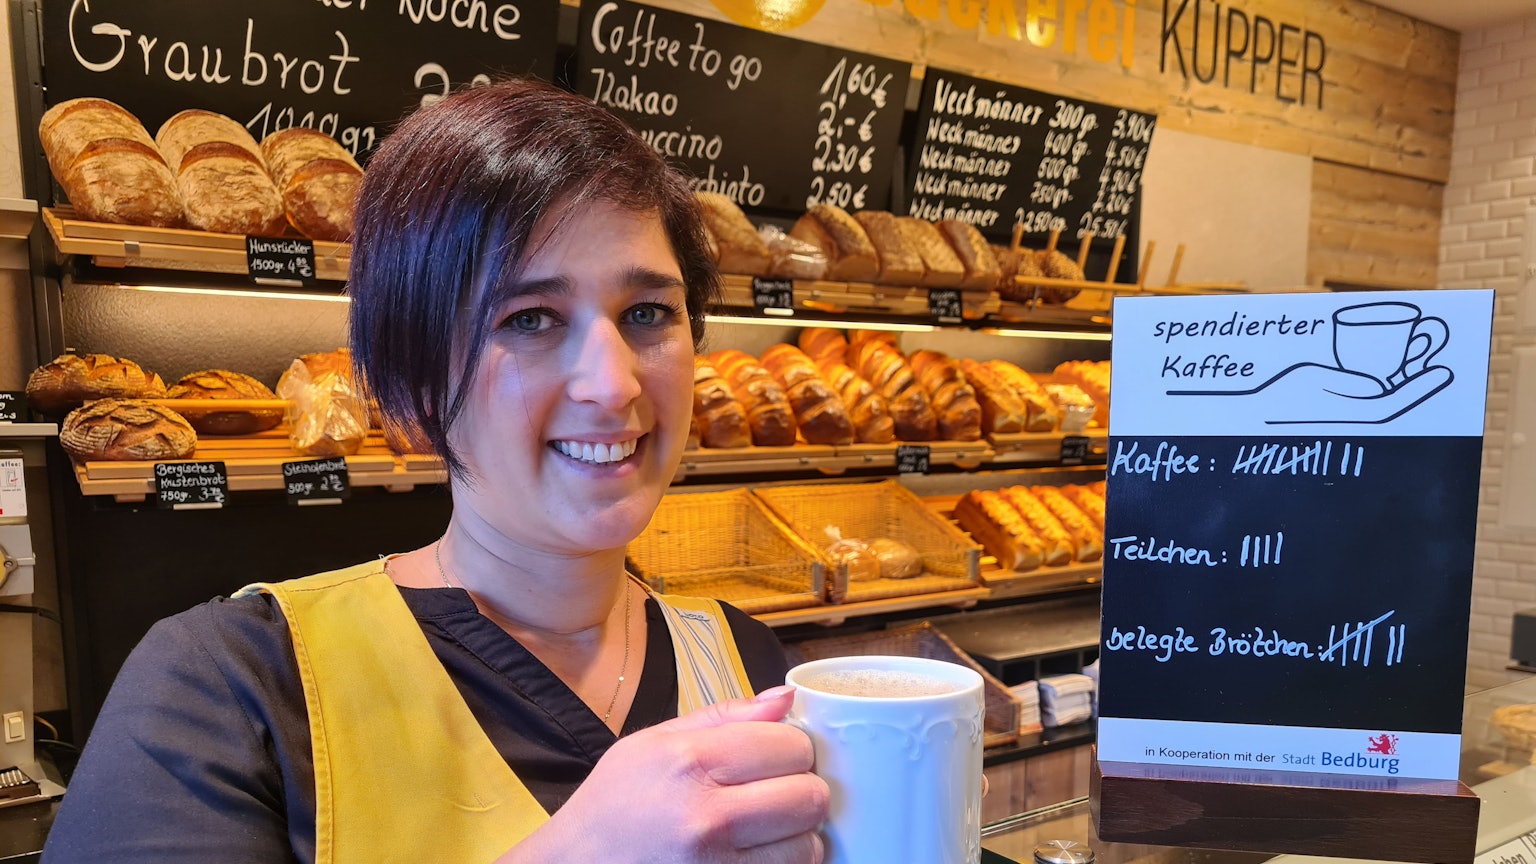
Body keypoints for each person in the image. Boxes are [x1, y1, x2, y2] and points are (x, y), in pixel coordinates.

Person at [42, 78, 830, 863]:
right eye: (529, 319)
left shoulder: (749, 664)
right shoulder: (226, 687)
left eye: (648, 314)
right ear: (410, 393)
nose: (614, 382)